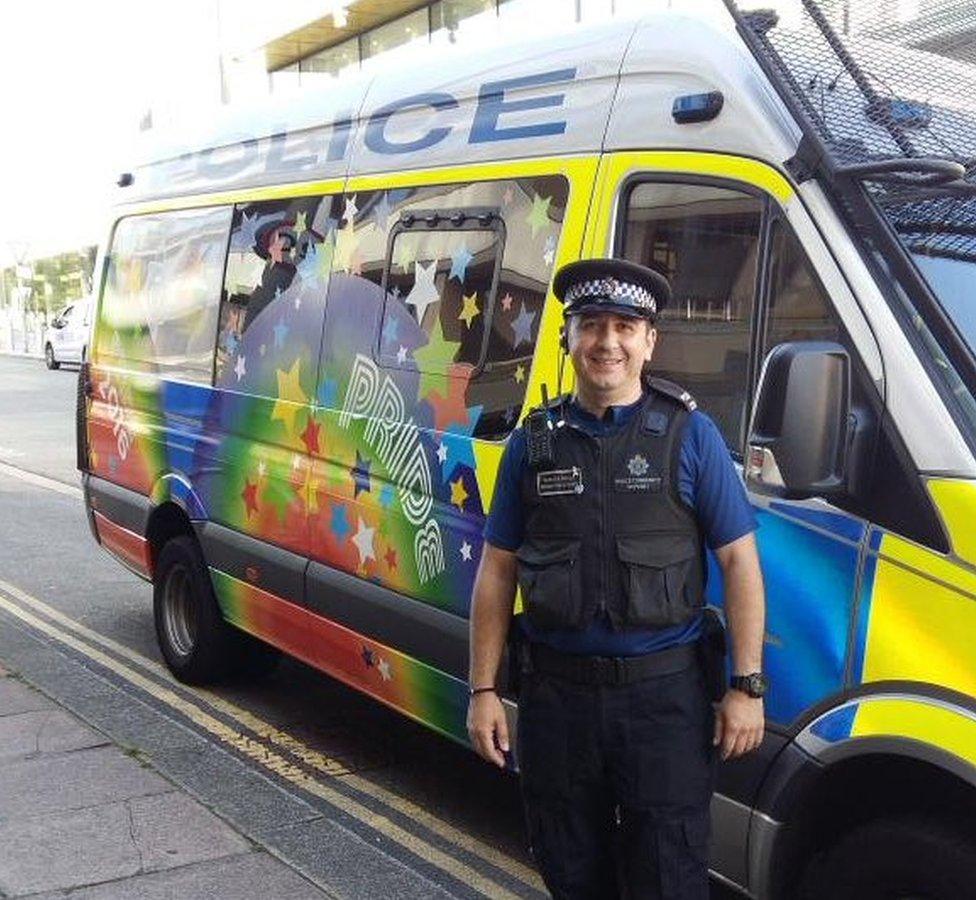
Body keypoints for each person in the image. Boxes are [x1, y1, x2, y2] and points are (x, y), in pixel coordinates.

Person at [467, 258, 766, 899]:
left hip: (664, 704)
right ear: (568, 338)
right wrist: (483, 690)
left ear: (649, 340)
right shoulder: (534, 443)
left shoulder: (690, 436)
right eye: (591, 325)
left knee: (669, 876)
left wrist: (746, 686)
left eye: (626, 326)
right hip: (558, 703)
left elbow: (740, 561)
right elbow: (498, 570)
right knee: (571, 873)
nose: (608, 342)